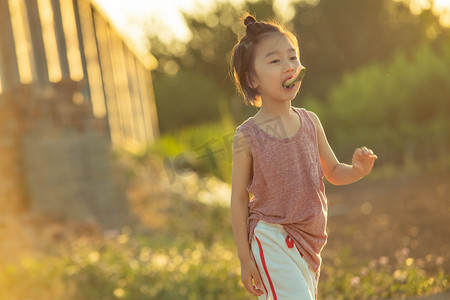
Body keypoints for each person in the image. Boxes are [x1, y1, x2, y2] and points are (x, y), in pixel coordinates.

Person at [230, 13, 378, 299]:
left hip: (309, 244)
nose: (288, 67)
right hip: (270, 238)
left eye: (293, 58)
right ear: (252, 78)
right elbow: (238, 198)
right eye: (274, 61)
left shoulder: (310, 121)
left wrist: (357, 170)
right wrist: (245, 259)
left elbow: (333, 170)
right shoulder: (246, 136)